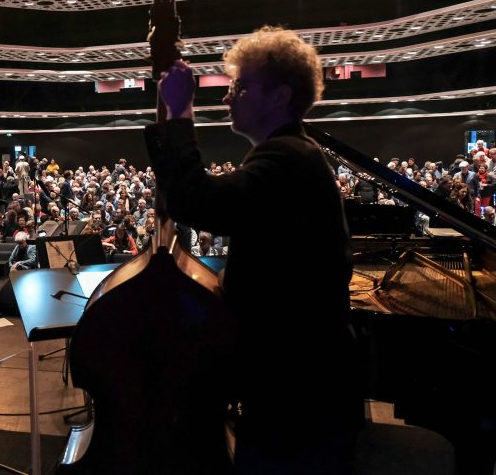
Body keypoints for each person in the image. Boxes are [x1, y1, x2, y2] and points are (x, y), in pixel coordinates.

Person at [147, 26, 362, 474]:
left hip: (297, 392)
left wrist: (180, 110)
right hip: (300, 382)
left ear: (280, 96)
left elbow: (196, 200)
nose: (228, 96)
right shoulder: (290, 155)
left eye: (240, 86)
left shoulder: (286, 160)